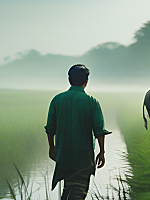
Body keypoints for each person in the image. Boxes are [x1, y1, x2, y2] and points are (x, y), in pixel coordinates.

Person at [45, 64, 111, 200]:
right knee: (79, 192)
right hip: (84, 157)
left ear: (69, 80)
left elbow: (50, 128)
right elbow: (99, 131)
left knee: (68, 188)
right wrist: (102, 152)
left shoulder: (57, 100)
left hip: (64, 154)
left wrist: (52, 147)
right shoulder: (92, 102)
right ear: (86, 82)